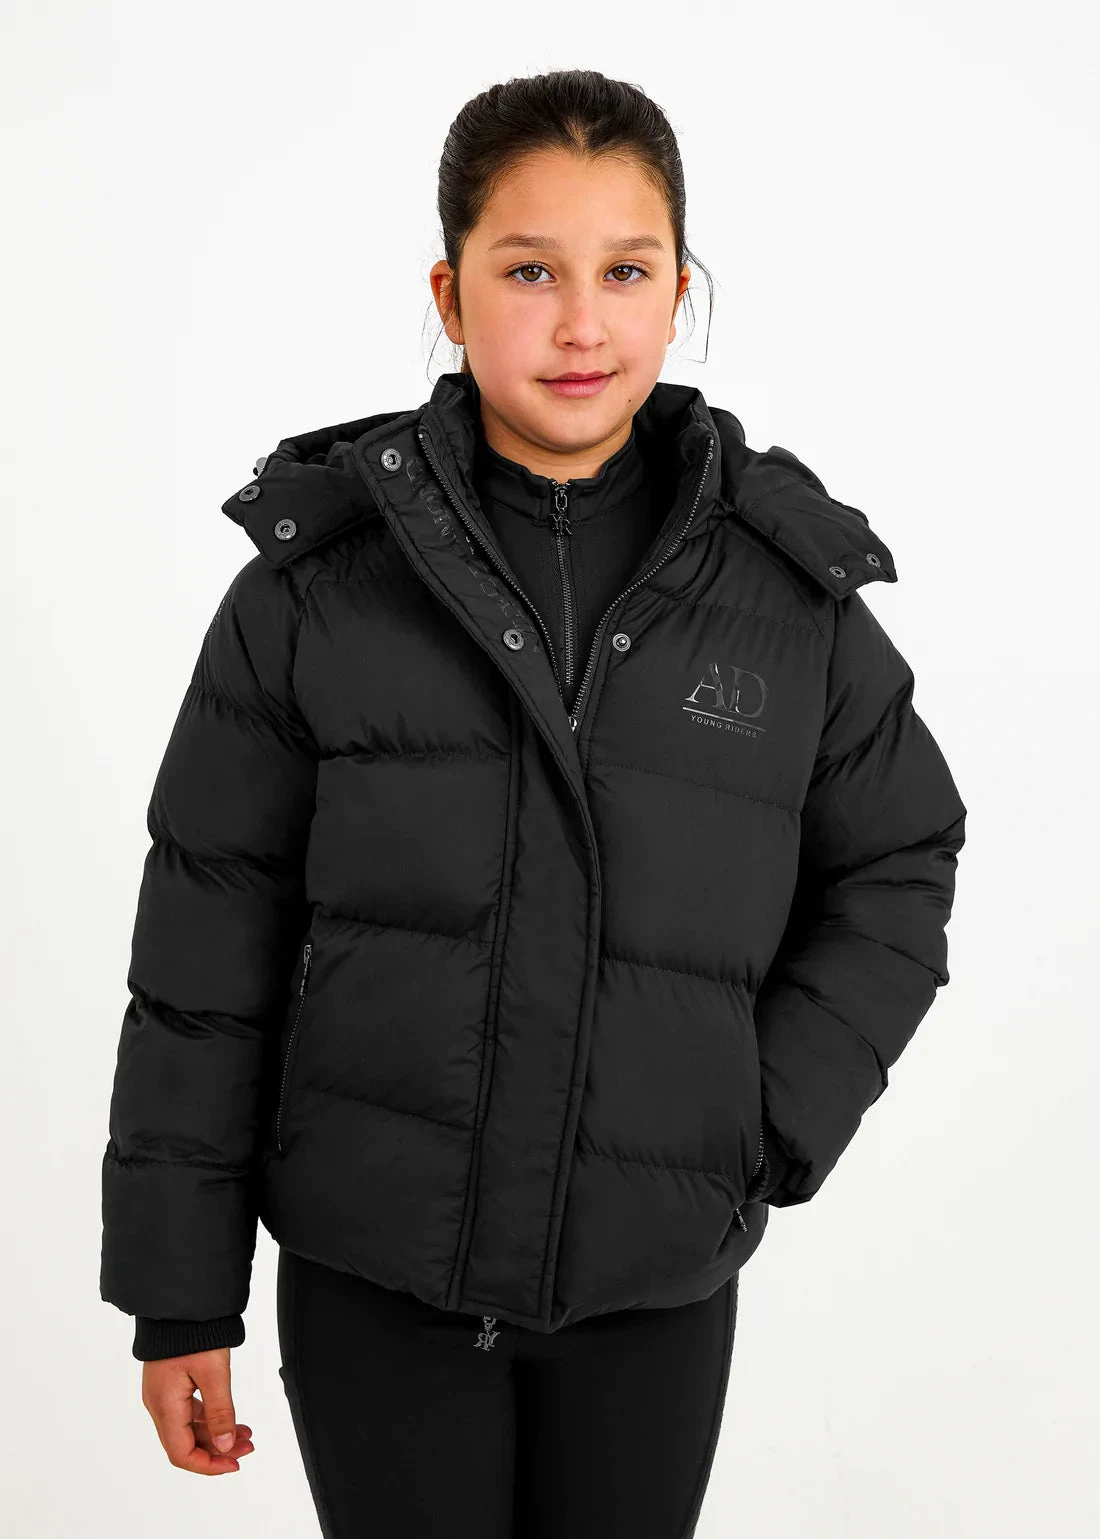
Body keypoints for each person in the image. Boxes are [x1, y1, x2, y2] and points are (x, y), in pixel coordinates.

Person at [99, 68, 967, 1538]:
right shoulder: (315, 592)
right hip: (375, 1274)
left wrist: (758, 1119)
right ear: (450, 294)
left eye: (625, 271)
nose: (580, 324)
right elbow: (204, 946)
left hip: (652, 1284)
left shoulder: (786, 602)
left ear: (680, 292)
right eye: (528, 271)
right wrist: (180, 1291)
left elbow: (901, 857)